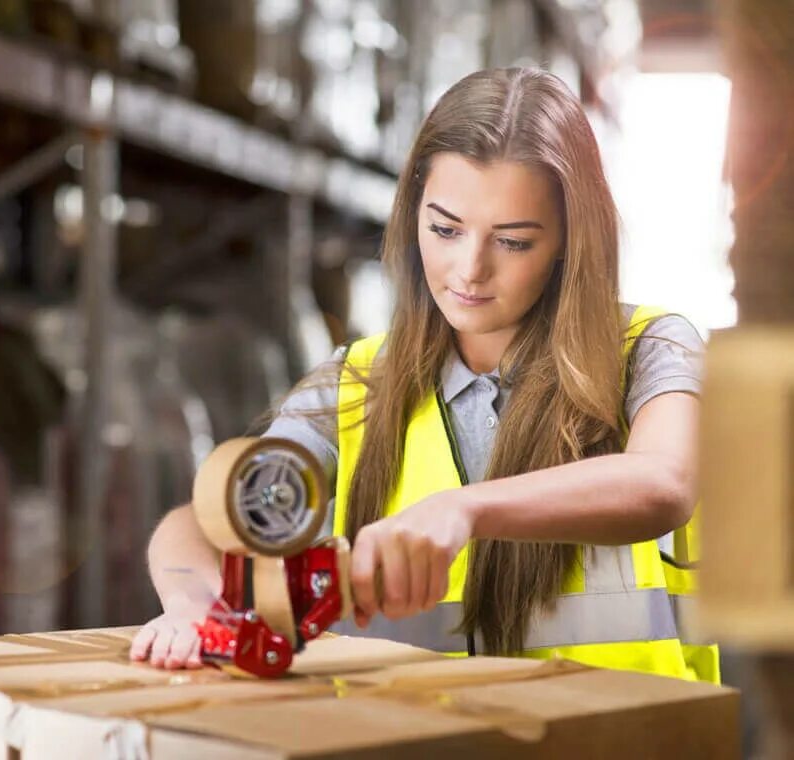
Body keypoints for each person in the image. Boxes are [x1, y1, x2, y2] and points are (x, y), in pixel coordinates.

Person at [129, 67, 718, 682]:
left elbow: (663, 483)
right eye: (444, 229)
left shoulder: (650, 348)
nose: (469, 270)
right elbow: (201, 521)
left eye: (513, 242)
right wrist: (199, 608)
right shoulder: (354, 384)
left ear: (573, 240)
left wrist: (463, 510)